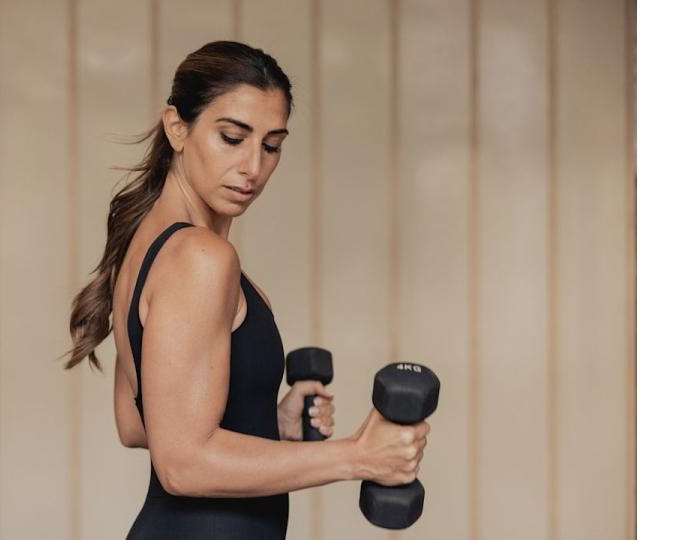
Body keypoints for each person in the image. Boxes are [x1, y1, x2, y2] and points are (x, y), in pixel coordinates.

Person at [64, 40, 429, 539]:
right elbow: (183, 465)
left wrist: (266, 425)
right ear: (177, 127)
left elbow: (137, 423)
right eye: (232, 137)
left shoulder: (147, 245)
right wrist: (358, 456)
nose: (253, 166)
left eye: (271, 144)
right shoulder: (200, 258)